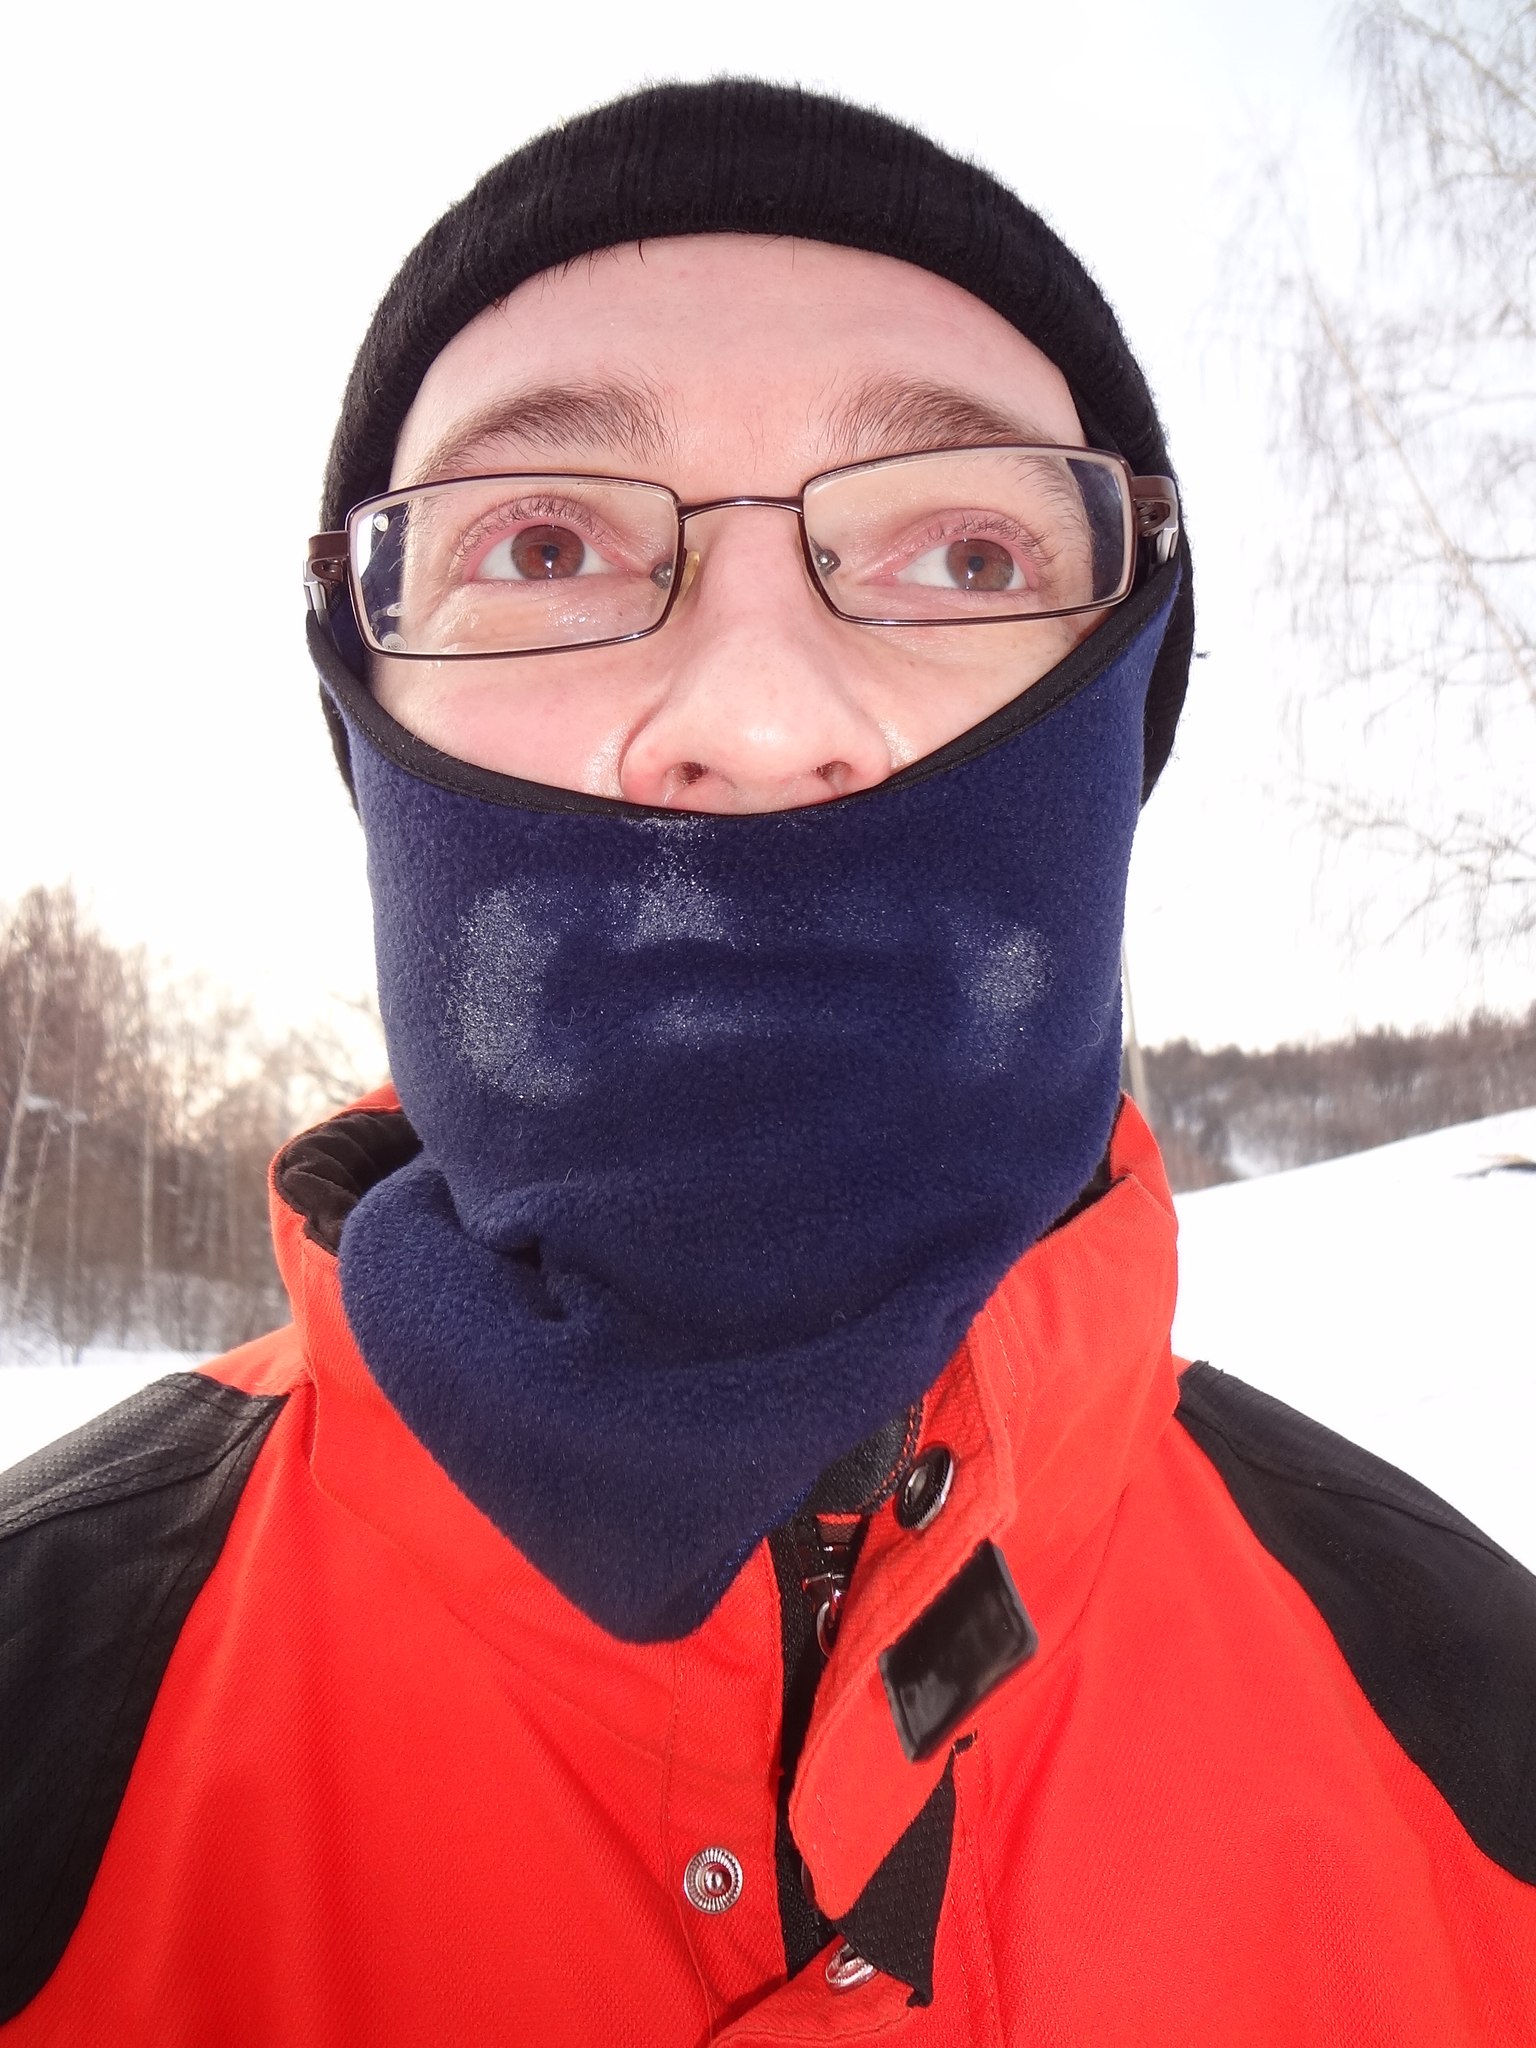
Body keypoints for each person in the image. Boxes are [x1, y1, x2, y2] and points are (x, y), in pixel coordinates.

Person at [1, 79, 1532, 2047]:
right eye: (543, 541)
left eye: (961, 556)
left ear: (1126, 714)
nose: (747, 710)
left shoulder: (1483, 1738)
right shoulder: (42, 1720)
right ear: (364, 723)